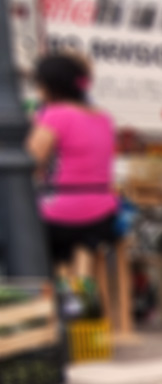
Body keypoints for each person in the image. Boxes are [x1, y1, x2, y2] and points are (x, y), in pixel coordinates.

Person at [25, 53, 119, 271]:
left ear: (48, 86)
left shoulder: (54, 115)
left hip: (60, 212)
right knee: (82, 255)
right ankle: (81, 286)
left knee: (21, 239)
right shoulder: (103, 117)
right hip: (103, 210)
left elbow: (31, 162)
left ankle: (52, 287)